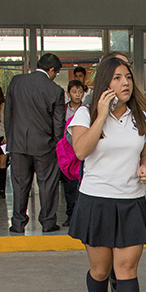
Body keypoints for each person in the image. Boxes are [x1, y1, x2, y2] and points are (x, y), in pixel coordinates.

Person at [68, 56, 146, 292]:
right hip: (96, 199)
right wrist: (101, 115)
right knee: (101, 269)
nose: (125, 82)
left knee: (127, 269)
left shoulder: (141, 114)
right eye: (118, 77)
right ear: (106, 82)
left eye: (128, 77)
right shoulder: (84, 113)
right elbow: (81, 150)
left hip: (131, 200)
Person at [4, 53, 65, 233]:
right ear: (52, 70)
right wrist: (57, 144)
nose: (55, 77)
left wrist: (11, 137)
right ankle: (47, 222)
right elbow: (59, 123)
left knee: (20, 184)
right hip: (44, 145)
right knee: (47, 184)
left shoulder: (16, 82)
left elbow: (8, 113)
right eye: (56, 73)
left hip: (18, 144)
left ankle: (17, 223)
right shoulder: (55, 90)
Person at [60, 79, 84, 227]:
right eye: (74, 92)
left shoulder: (86, 109)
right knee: (69, 185)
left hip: (82, 151)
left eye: (80, 92)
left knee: (81, 183)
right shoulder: (62, 110)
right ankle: (70, 214)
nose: (77, 95)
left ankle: (80, 214)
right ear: (69, 93)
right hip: (67, 152)